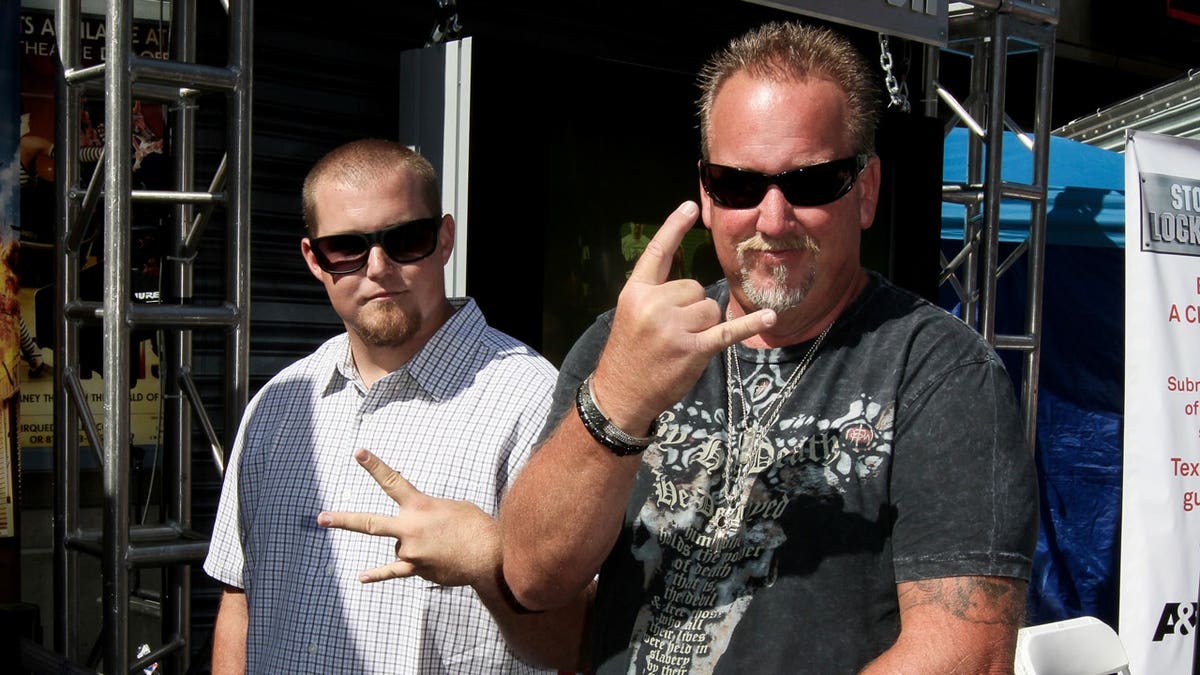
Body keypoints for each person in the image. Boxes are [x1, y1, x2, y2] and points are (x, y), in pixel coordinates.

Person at [499, 21, 1039, 674]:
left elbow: (964, 654)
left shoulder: (939, 370)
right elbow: (533, 578)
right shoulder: (626, 346)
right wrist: (618, 399)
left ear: (866, 190)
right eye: (738, 184)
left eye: (812, 182)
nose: (773, 219)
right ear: (706, 193)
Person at [204, 139, 575, 673]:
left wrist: (487, 560)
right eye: (345, 248)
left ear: (444, 239)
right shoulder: (277, 406)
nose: (378, 267)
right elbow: (240, 596)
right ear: (314, 259)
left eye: (405, 240)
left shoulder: (531, 401)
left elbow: (582, 636)